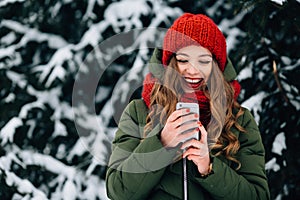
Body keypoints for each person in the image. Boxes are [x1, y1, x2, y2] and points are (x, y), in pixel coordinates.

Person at [105, 13, 270, 200]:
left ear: (216, 66)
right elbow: (118, 191)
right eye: (183, 60)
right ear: (170, 63)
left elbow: (258, 196)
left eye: (204, 61)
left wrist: (208, 168)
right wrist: (162, 144)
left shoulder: (239, 120)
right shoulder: (139, 112)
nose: (192, 70)